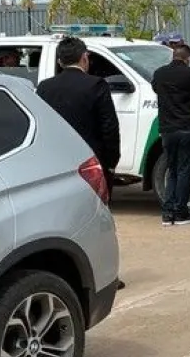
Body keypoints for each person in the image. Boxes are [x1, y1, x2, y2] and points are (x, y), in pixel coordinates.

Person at [36, 36, 125, 289]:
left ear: (60, 60)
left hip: (55, 165)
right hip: (90, 164)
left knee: (57, 221)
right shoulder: (96, 85)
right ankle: (104, 276)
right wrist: (111, 162)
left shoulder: (44, 88)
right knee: (98, 221)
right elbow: (110, 127)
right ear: (84, 57)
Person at [151, 44, 190, 226]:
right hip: (187, 129)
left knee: (171, 170)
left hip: (167, 131)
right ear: (188, 59)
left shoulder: (159, 74)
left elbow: (156, 88)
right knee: (184, 171)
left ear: (173, 56)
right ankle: (180, 213)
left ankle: (167, 212)